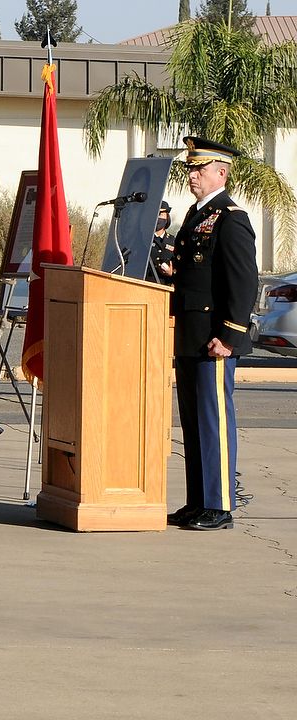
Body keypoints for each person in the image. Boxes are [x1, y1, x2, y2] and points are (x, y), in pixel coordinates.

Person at [166, 137, 258, 532]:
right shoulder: (194, 214)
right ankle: (197, 500)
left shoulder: (230, 217)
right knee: (194, 421)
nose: (192, 175)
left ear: (221, 172)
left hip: (215, 340)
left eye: (198, 169)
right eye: (190, 168)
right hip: (190, 336)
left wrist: (229, 335)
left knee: (214, 420)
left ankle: (219, 506)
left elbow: (242, 283)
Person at [150, 200, 176, 285]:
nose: (158, 218)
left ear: (167, 218)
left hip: (163, 287)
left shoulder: (173, 241)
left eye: (161, 214)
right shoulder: (144, 239)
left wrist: (171, 273)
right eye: (156, 214)